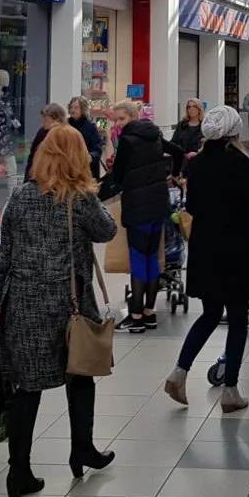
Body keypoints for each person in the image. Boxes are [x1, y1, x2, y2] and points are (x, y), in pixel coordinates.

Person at [0, 126, 117, 497]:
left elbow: (6, 254)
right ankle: (82, 449)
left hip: (24, 304)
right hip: (69, 305)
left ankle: (19, 472)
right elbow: (107, 232)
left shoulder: (21, 197)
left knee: (26, 389)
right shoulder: (80, 199)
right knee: (80, 376)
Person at [163, 106, 249, 413]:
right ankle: (231, 392)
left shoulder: (196, 164)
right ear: (233, 132)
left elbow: (194, 206)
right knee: (238, 319)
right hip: (235, 251)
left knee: (210, 314)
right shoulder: (239, 162)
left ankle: (179, 373)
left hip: (204, 249)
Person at [98, 100, 174, 332]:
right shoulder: (155, 135)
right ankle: (149, 313)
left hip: (138, 208)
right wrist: (172, 174)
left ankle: (136, 315)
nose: (118, 124)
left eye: (121, 119)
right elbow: (178, 153)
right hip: (159, 206)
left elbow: (118, 175)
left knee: (139, 260)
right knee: (152, 259)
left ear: (132, 117)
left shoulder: (128, 142)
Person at [67, 96, 107, 178]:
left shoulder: (90, 126)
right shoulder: (65, 124)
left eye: (76, 108)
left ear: (83, 109)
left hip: (85, 169)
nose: (72, 110)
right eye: (71, 107)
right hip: (67, 167)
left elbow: (97, 148)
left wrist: (91, 156)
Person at [26, 102, 69, 171]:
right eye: (42, 118)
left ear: (56, 120)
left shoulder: (67, 134)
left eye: (46, 120)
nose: (42, 121)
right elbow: (32, 156)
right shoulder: (41, 133)